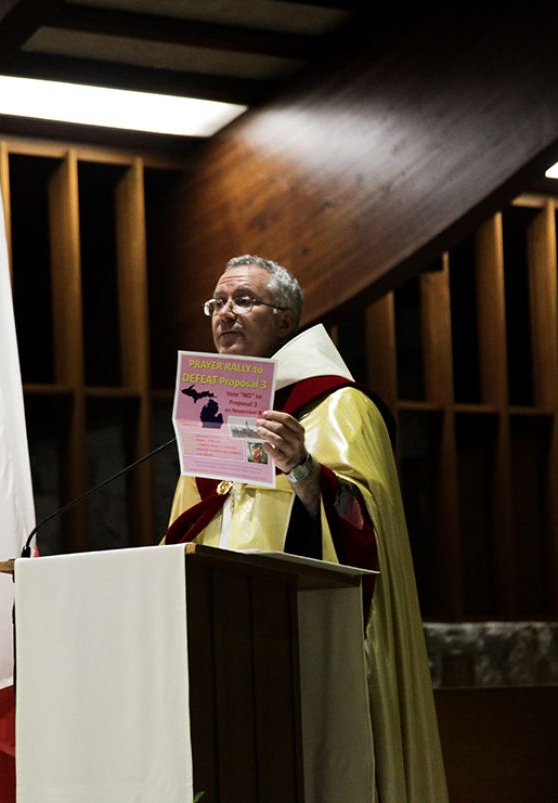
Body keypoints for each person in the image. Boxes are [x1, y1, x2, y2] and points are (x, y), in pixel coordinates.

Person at [166, 255, 449, 802]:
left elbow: (366, 522)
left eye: (244, 300)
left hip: (303, 625)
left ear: (286, 319)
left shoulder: (341, 404)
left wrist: (303, 469)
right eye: (217, 303)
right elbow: (188, 525)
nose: (225, 314)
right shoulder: (208, 412)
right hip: (218, 627)